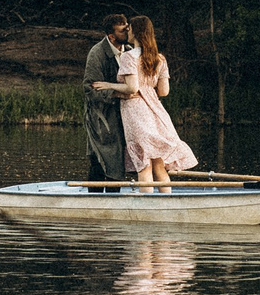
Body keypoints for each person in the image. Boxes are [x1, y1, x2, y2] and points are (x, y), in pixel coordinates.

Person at [117, 14, 198, 186]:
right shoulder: (160, 59)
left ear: (136, 32)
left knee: (144, 164)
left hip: (135, 110)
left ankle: (147, 201)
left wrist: (109, 86)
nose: (128, 32)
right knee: (159, 165)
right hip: (155, 111)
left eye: (129, 29)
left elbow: (132, 88)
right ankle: (165, 200)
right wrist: (148, 87)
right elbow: (164, 91)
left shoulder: (128, 57)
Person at [82, 14, 132, 188]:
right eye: (122, 30)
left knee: (119, 159)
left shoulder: (130, 50)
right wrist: (118, 94)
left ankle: (114, 197)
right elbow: (89, 87)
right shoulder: (97, 53)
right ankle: (95, 199)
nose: (128, 32)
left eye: (127, 28)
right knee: (100, 158)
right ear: (111, 36)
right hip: (100, 115)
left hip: (123, 114)